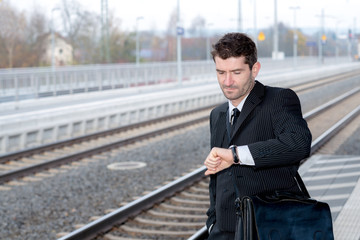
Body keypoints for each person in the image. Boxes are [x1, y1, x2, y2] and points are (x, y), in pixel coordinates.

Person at [203, 32, 312, 239]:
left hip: (268, 227)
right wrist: (212, 221)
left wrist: (235, 155)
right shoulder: (217, 115)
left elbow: (298, 143)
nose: (227, 81)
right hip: (224, 231)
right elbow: (216, 179)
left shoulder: (278, 99)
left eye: (236, 72)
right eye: (220, 72)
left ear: (254, 69)